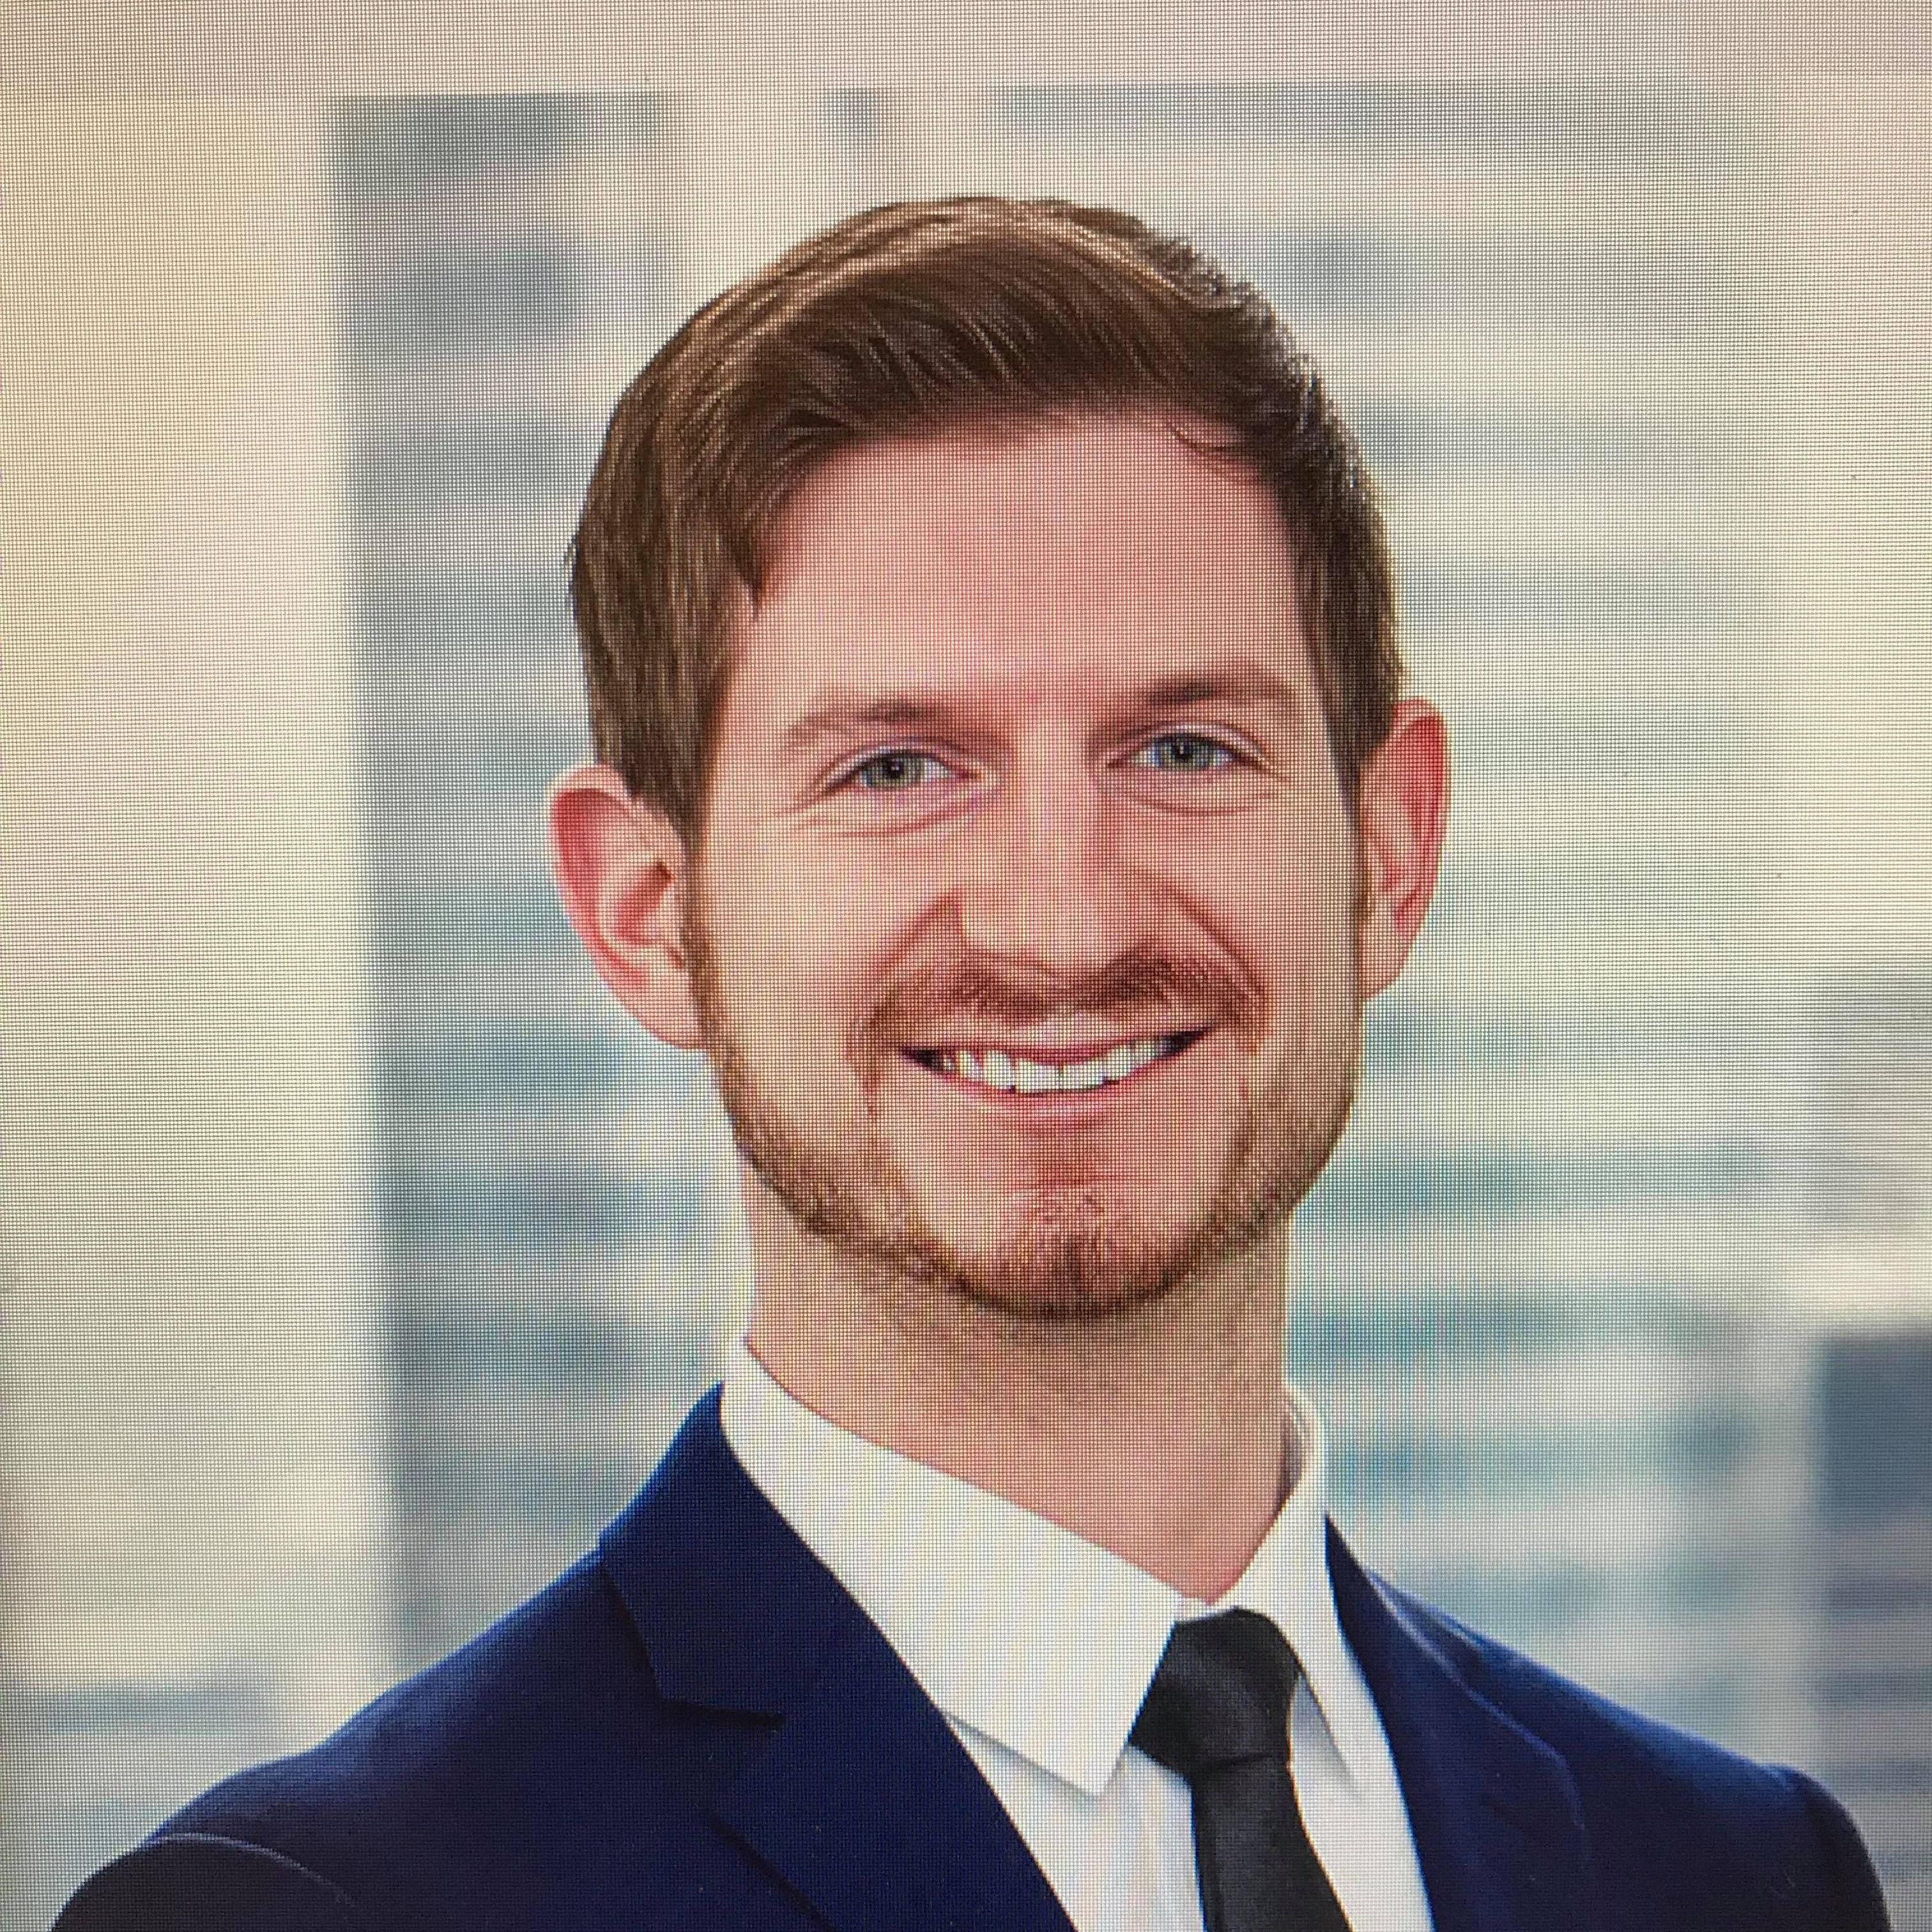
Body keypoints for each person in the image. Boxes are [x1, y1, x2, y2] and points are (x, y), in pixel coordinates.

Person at [57, 196, 1890, 1932]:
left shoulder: (1732, 1873)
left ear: (1389, 852)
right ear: (647, 913)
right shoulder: (327, 1906)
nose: (1061, 923)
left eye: (1184, 749)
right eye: (896, 770)